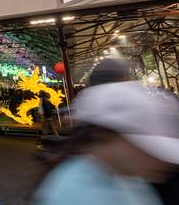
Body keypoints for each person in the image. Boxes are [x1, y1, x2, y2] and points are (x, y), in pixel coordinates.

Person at [33, 79, 179, 205]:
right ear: (103, 136)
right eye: (143, 145)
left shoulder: (127, 176)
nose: (158, 159)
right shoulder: (76, 194)